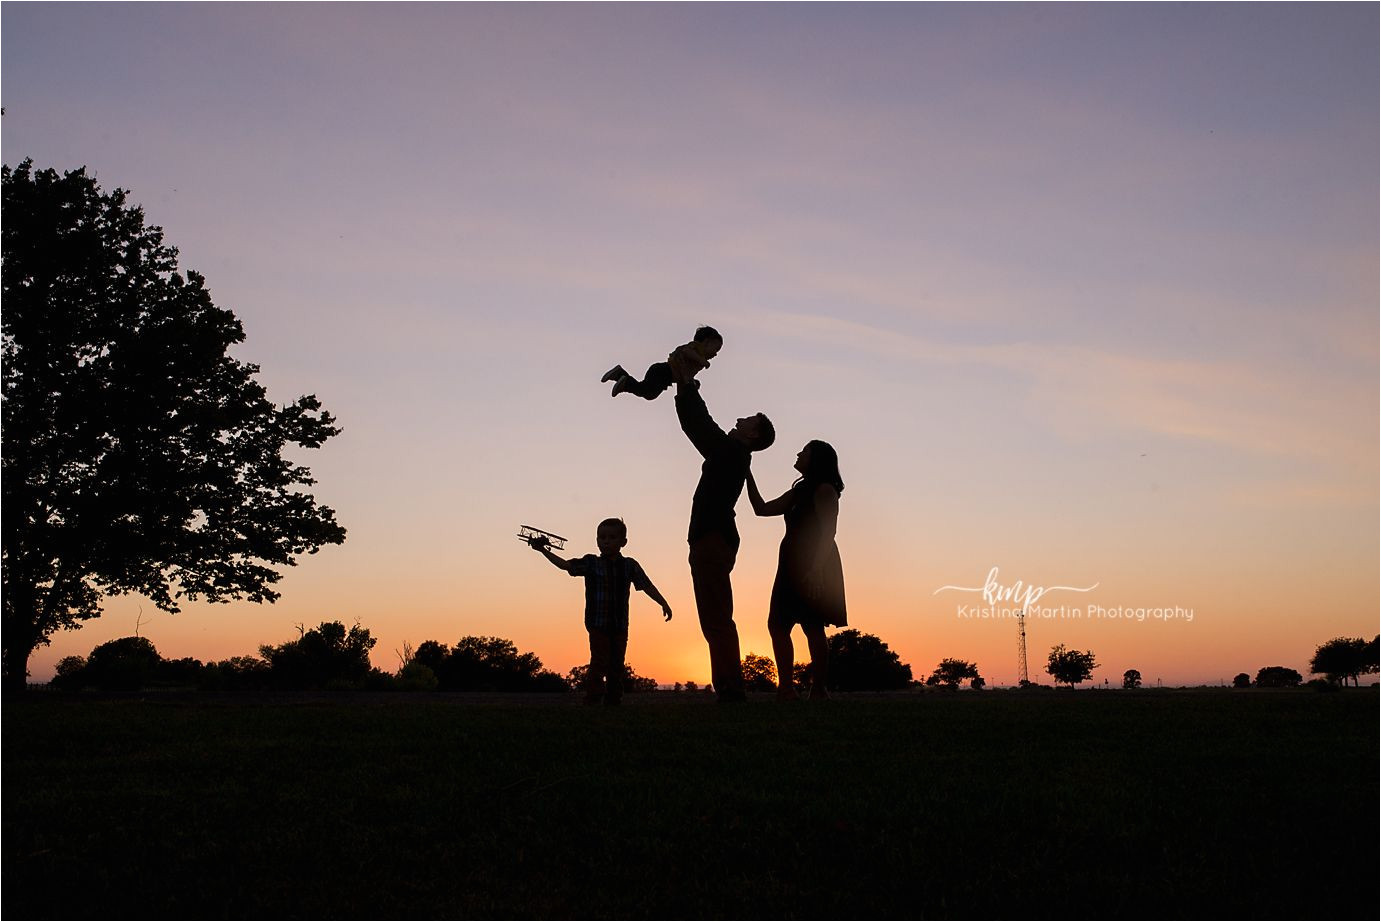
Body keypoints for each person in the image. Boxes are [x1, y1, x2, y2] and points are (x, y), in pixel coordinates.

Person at [674, 378, 775, 701]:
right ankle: (730, 687)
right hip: (715, 539)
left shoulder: (732, 451)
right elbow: (701, 427)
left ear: (753, 434)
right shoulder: (734, 453)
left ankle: (731, 689)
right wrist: (686, 389)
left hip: (712, 539)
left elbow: (700, 426)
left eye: (749, 420)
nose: (740, 419)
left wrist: (687, 386)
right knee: (716, 618)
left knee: (716, 618)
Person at [529, 517, 672, 705]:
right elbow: (565, 566)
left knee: (616, 666)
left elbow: (646, 585)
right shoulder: (591, 563)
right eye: (602, 537)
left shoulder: (630, 565)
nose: (606, 541)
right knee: (599, 663)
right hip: (597, 624)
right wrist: (542, 550)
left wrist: (663, 602)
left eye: (612, 537)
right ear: (597, 540)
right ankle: (593, 698)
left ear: (623, 542)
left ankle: (614, 699)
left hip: (619, 625)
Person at [745, 440, 846, 701]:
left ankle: (819, 689)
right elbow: (762, 509)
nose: (799, 454)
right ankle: (787, 688)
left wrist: (815, 569)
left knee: (812, 626)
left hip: (814, 563)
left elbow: (828, 532)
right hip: (790, 563)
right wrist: (747, 473)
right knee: (778, 624)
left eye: (805, 451)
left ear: (816, 459)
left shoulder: (825, 490)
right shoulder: (799, 490)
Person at [602, 325, 723, 399]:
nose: (716, 353)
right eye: (716, 348)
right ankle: (625, 381)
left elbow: (685, 375)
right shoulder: (696, 348)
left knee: (649, 393)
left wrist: (692, 383)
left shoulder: (697, 360)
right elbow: (686, 352)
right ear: (706, 342)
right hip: (663, 371)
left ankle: (620, 375)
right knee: (647, 391)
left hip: (665, 376)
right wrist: (701, 360)